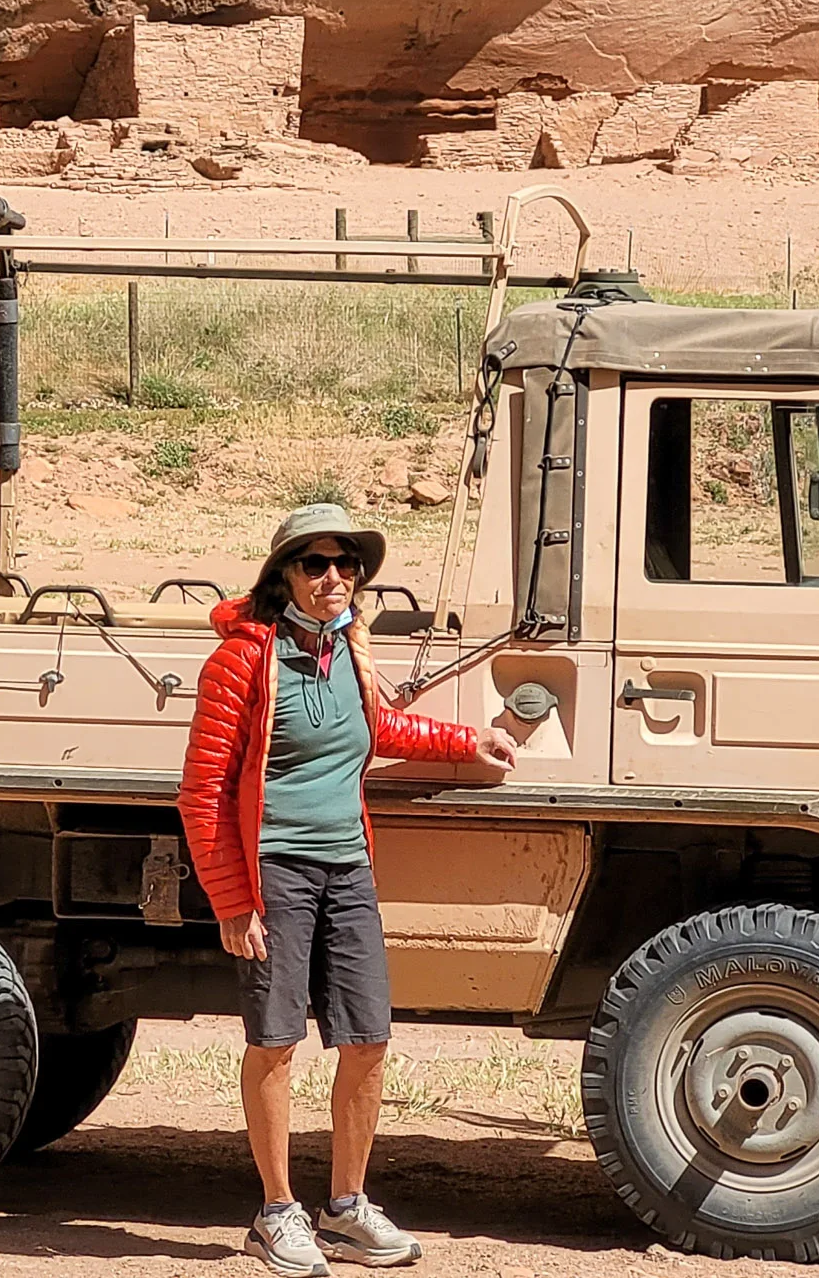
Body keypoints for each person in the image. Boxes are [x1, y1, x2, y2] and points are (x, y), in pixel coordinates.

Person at [176, 503, 520, 1274]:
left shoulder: (348, 651)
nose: (334, 578)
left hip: (348, 869)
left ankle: (345, 1207)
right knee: (275, 1041)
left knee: (367, 1039)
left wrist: (469, 741)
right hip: (276, 872)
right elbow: (201, 792)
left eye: (347, 565)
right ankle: (274, 1212)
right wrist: (233, 902)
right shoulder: (243, 661)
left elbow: (382, 729)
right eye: (315, 564)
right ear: (283, 577)